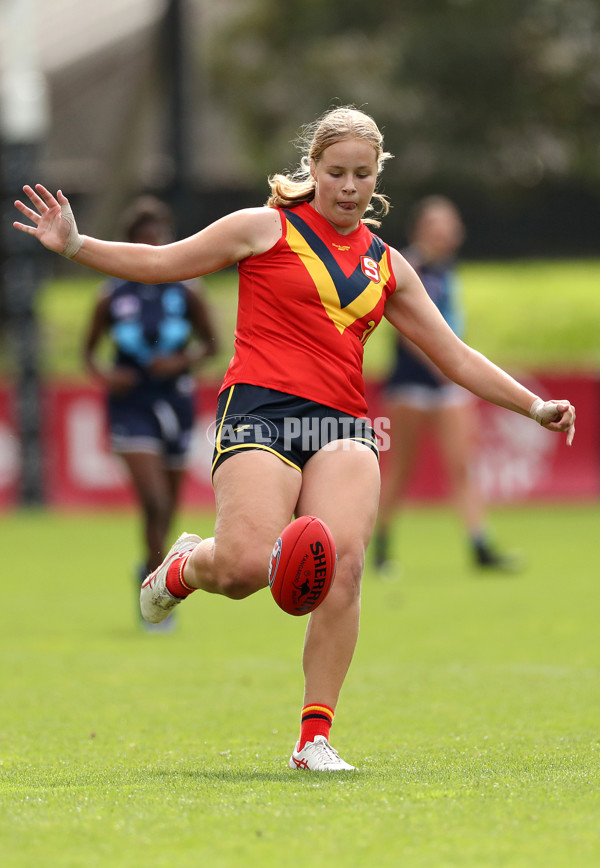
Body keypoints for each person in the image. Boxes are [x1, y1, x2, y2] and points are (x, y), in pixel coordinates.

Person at [13, 106, 575, 772]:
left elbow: (453, 355)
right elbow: (164, 263)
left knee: (343, 562)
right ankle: (185, 565)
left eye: (362, 175)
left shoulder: (388, 266)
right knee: (246, 569)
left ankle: (314, 739)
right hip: (258, 413)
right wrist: (79, 246)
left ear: (376, 179)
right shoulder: (264, 228)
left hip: (340, 425)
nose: (348, 186)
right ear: (312, 168)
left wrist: (534, 404)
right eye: (335, 171)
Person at [81, 196, 219, 628]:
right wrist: (107, 375)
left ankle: (153, 574)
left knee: (169, 506)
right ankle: (155, 587)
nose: (151, 244)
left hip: (175, 402)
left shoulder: (187, 289)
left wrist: (180, 363)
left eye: (157, 237)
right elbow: (88, 354)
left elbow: (212, 345)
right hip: (131, 405)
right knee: (154, 500)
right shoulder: (111, 295)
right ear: (130, 244)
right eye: (142, 239)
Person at [374, 195, 517, 573]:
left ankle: (480, 545)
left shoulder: (447, 269)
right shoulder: (409, 266)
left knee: (463, 465)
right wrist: (447, 365)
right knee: (401, 466)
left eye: (450, 224)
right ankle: (380, 543)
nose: (447, 231)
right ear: (421, 229)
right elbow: (409, 333)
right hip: (412, 382)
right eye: (438, 224)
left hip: (448, 381)